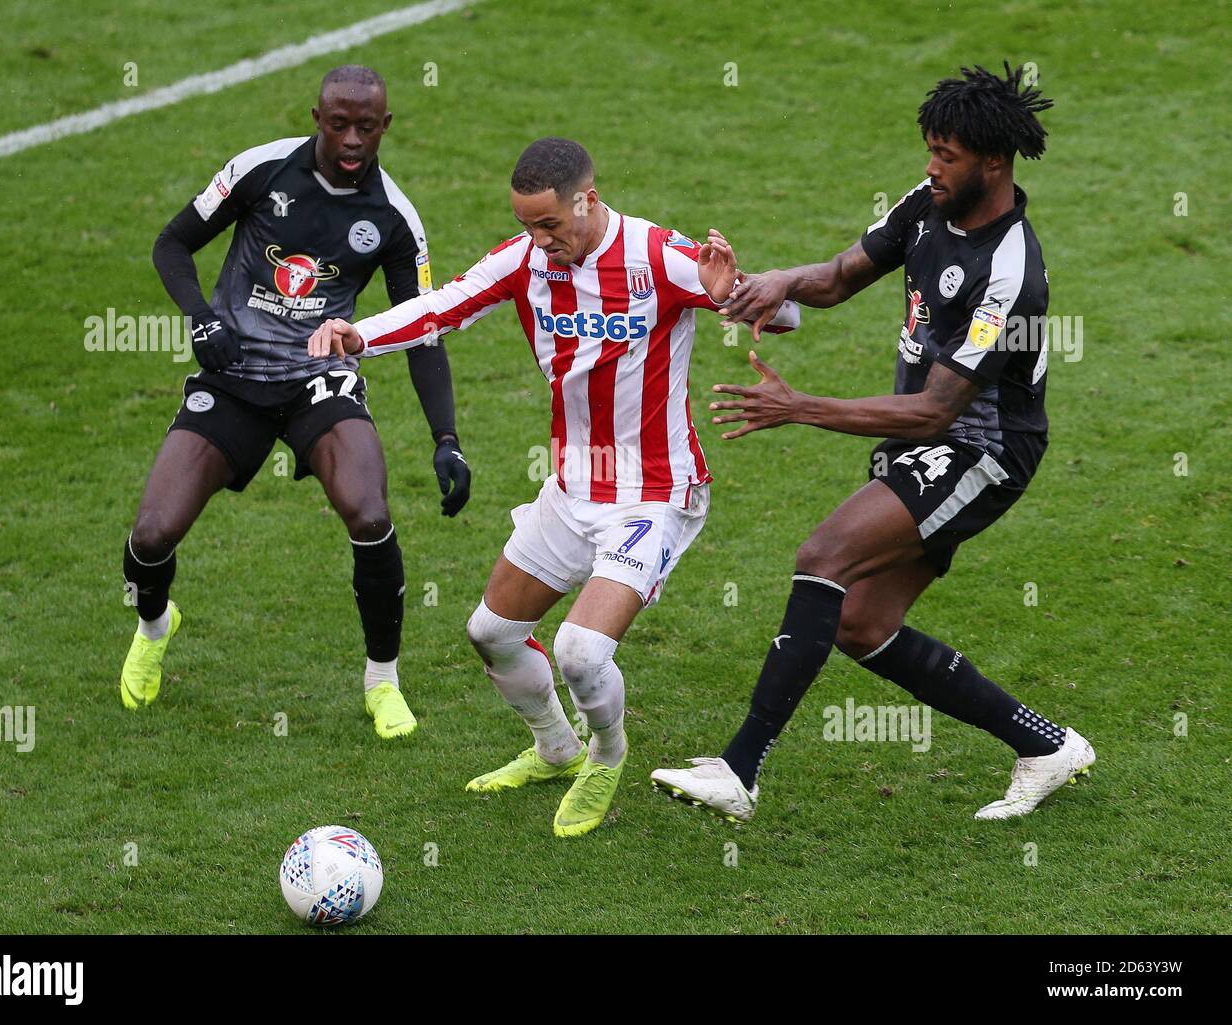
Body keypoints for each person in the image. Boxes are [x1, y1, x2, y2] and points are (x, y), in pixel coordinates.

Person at [309, 137, 800, 835]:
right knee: (492, 632)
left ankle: (607, 753)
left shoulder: (658, 255)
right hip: (572, 488)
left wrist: (736, 297)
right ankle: (555, 747)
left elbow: (788, 314)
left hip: (654, 491)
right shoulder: (527, 261)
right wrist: (358, 334)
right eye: (526, 226)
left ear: (587, 200)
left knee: (578, 650)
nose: (539, 241)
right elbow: (443, 305)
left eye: (550, 225)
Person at [651, 63, 1095, 822]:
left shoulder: (1012, 272)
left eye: (946, 154)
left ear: (993, 161)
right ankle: (1046, 745)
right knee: (860, 622)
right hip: (922, 438)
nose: (930, 165)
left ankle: (740, 769)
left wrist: (800, 407)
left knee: (824, 555)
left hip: (981, 450)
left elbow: (934, 412)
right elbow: (839, 276)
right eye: (930, 148)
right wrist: (774, 283)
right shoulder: (928, 204)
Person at [119, 66, 470, 741]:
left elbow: (423, 327)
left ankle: (382, 680)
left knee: (369, 513)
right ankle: (155, 623)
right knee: (152, 533)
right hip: (234, 375)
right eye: (338, 122)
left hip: (319, 378)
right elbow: (172, 244)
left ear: (385, 128)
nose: (350, 138)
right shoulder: (260, 170)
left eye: (365, 127)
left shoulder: (394, 217)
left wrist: (446, 437)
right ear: (317, 116)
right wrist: (200, 318)